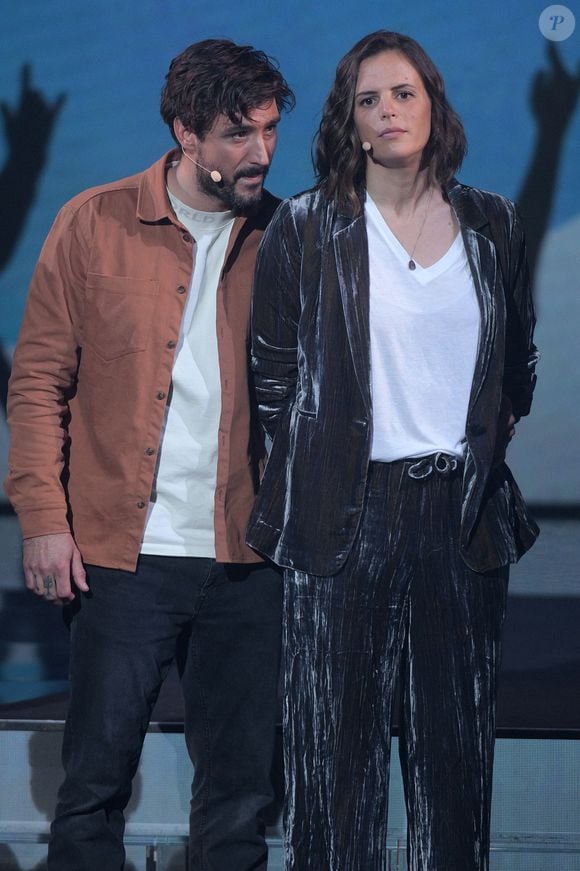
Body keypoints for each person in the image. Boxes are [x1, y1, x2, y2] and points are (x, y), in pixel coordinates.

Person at [246, 30, 539, 871]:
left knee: (455, 755)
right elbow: (272, 375)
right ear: (350, 120)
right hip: (345, 513)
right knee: (334, 758)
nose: (386, 111)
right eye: (368, 100)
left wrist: (492, 425)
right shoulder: (306, 226)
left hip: (462, 516)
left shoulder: (493, 221)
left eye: (402, 93)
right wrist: (308, 473)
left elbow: (516, 359)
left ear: (432, 104)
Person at [5, 38, 294, 871]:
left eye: (270, 131)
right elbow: (37, 385)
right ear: (185, 131)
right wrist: (43, 520)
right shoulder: (93, 221)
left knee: (239, 797)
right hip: (119, 555)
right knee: (92, 787)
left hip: (248, 556)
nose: (261, 153)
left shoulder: (288, 235)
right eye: (238, 133)